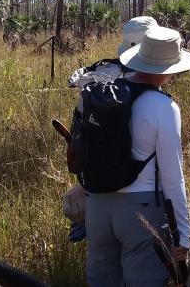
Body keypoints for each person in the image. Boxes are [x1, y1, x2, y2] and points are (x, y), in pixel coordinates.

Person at [85, 25, 190, 287]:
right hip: (140, 211)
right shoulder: (164, 107)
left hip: (97, 206)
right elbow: (172, 178)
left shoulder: (103, 94)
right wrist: (183, 234)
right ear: (171, 67)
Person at [62, 16, 158, 240]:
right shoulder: (149, 88)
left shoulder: (94, 78)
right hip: (137, 189)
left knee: (101, 265)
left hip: (95, 178)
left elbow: (81, 128)